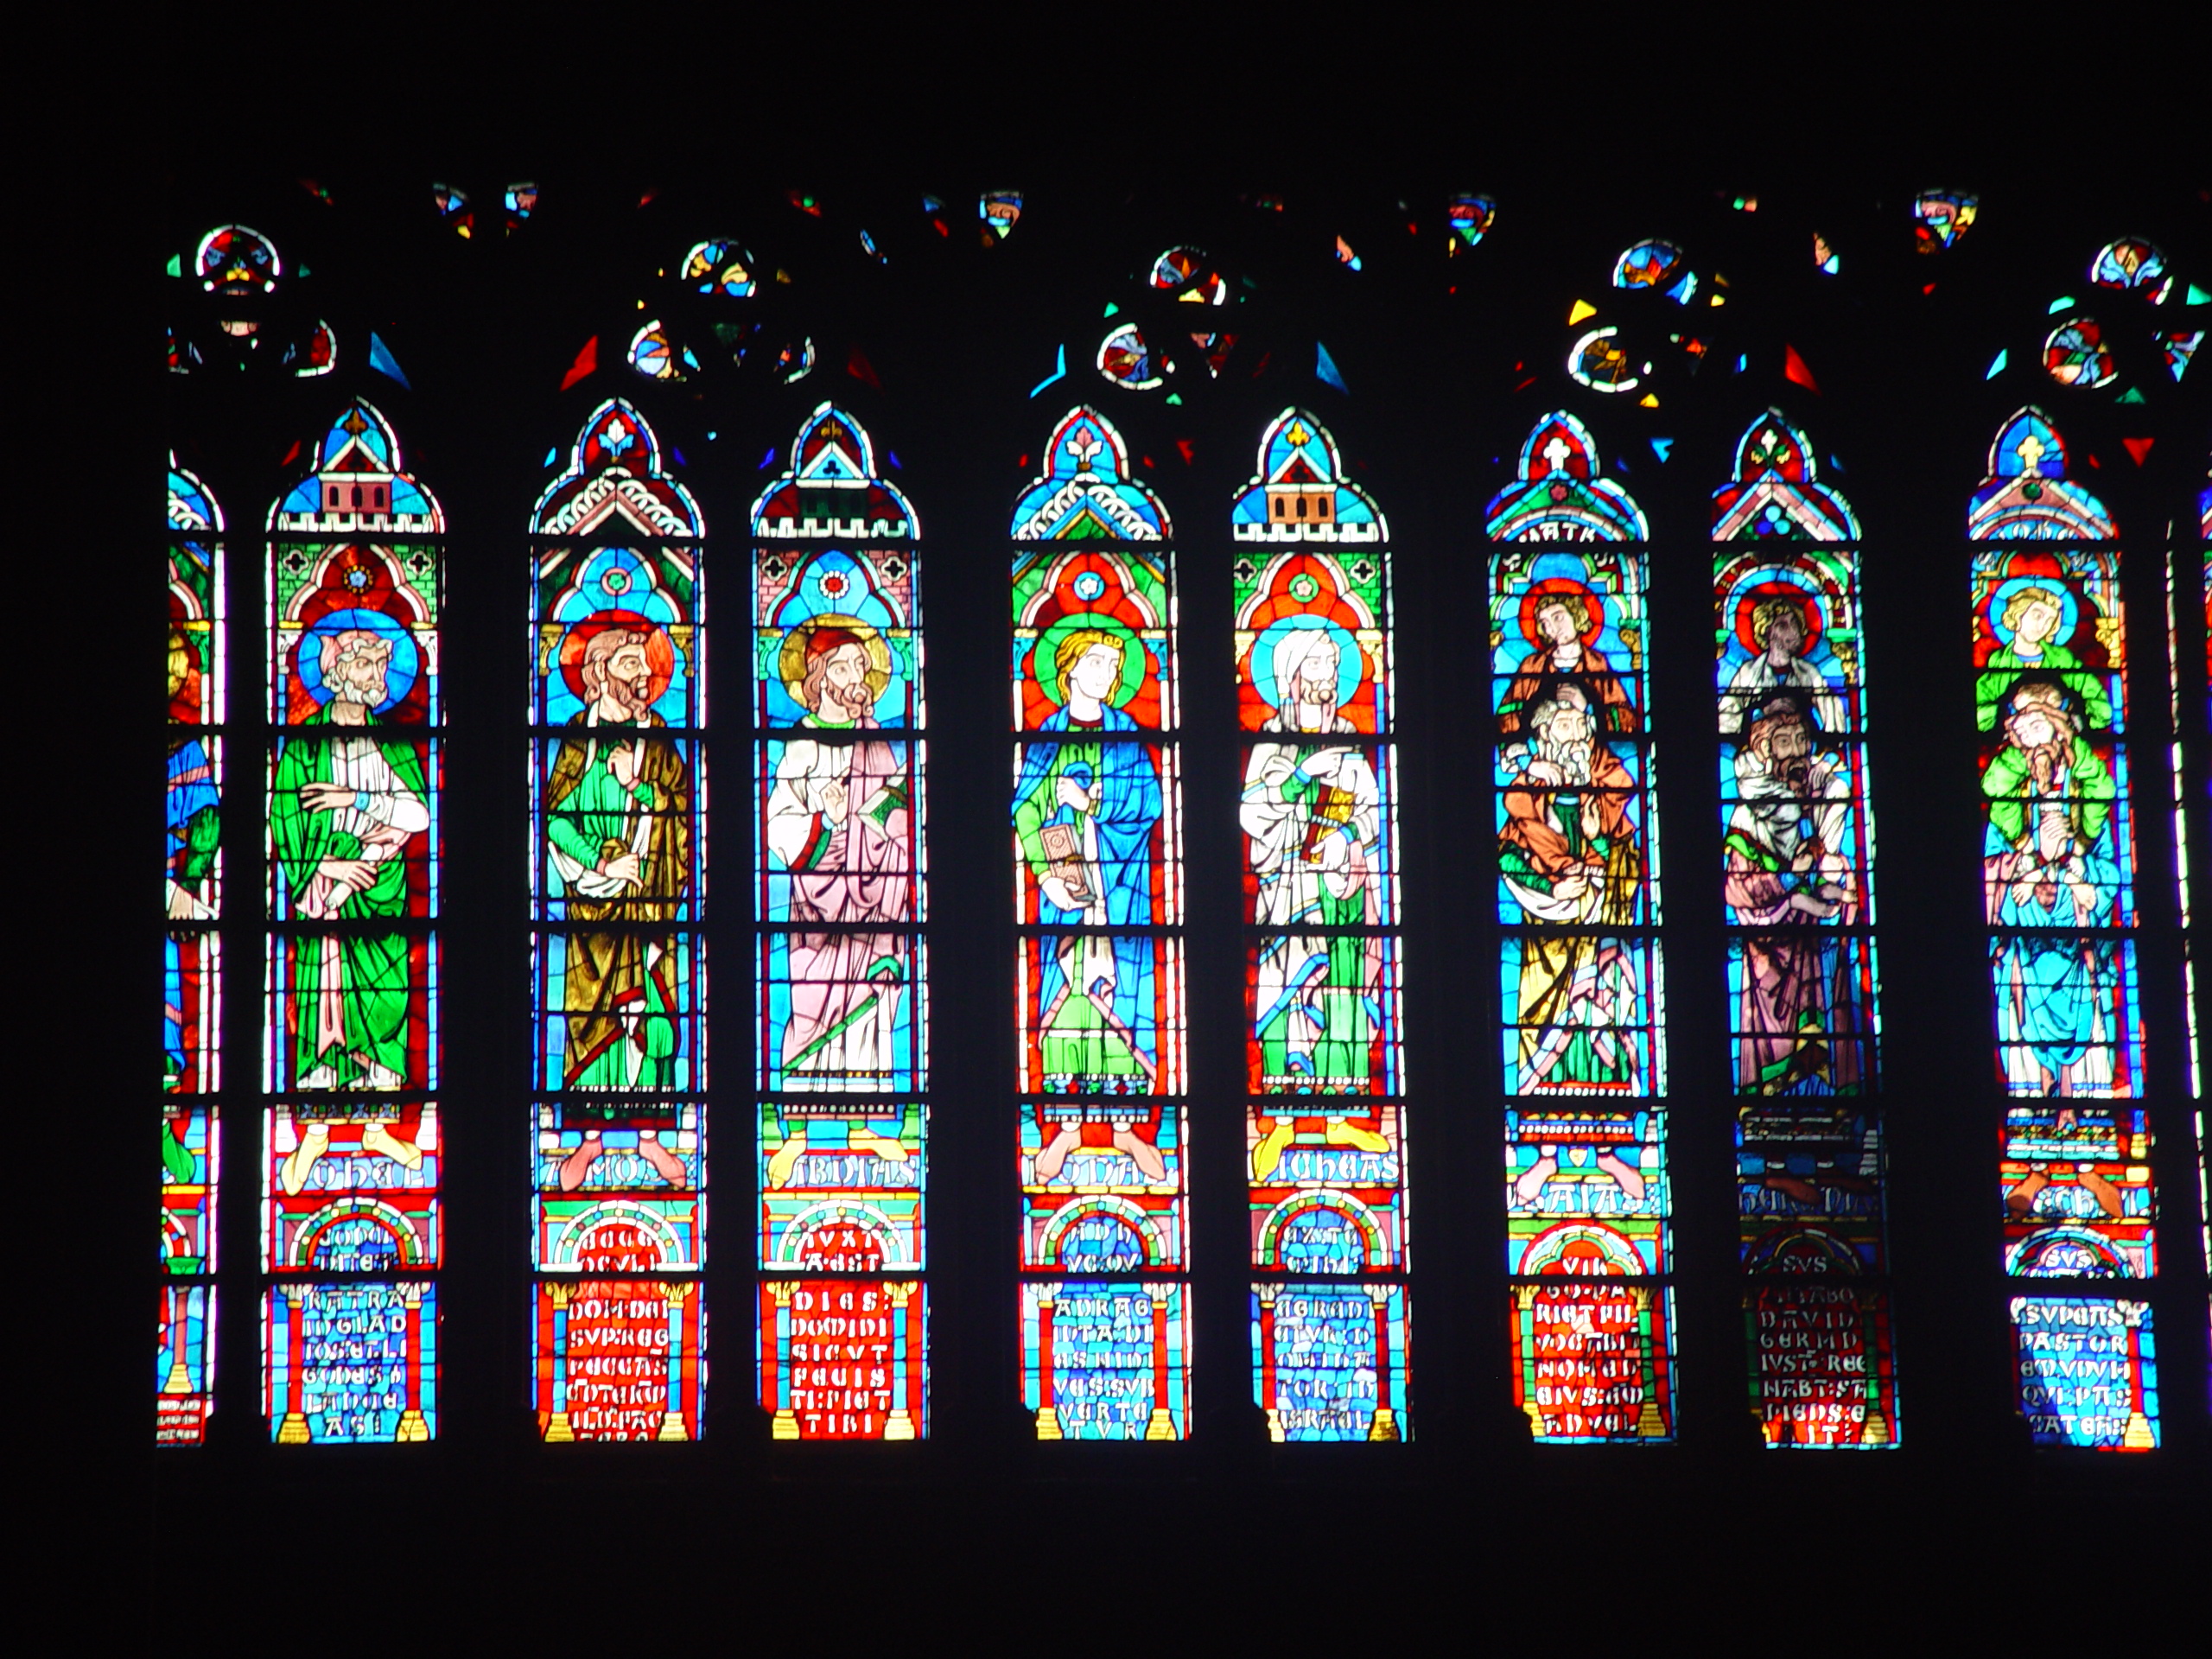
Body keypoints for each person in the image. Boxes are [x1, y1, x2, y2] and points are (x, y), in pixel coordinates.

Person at [761, 627, 915, 1178]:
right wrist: (827, 823)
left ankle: (865, 1125)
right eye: (844, 669)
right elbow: (779, 824)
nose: (856, 681)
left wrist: (870, 820)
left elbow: (900, 813)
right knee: (809, 1008)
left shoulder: (877, 741)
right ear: (817, 679)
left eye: (860, 668)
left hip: (876, 899)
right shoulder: (800, 744)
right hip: (817, 903)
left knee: (871, 1010)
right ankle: (796, 1132)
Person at [543, 626, 693, 1182]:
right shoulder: (579, 737)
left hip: (650, 902)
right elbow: (556, 815)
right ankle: (588, 1140)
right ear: (601, 670)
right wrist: (601, 865)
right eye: (630, 664)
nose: (643, 677)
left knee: (650, 1014)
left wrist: (641, 792)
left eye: (646, 665)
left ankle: (652, 1137)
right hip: (590, 905)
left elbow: (679, 810)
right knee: (589, 1018)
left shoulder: (658, 736)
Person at [1241, 626, 1391, 1171]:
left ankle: (1342, 1114)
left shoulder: (1352, 740)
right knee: (1288, 987)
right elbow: (1250, 812)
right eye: (1319, 666)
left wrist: (1347, 839)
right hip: (1287, 888)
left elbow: (1373, 813)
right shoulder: (1271, 742)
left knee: (1343, 988)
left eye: (1333, 666)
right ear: (1293, 675)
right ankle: (1279, 1120)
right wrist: (1301, 776)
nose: (1328, 678)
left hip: (1342, 889)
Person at [1014, 628, 1165, 1166]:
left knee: (1123, 999)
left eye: (1113, 666)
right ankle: (1067, 1126)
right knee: (1067, 1005)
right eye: (1096, 663)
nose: (1106, 675)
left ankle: (1127, 1129)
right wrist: (1045, 872)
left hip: (1119, 891)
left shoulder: (1128, 735)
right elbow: (1025, 809)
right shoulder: (1047, 737)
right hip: (1065, 895)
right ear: (1070, 671)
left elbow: (1149, 807)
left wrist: (1092, 808)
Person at [270, 626, 429, 1094]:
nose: (377, 675)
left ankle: (380, 1071)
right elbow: (284, 820)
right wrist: (326, 867)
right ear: (337, 674)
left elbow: (418, 814)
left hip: (379, 882)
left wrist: (355, 797)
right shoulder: (302, 744)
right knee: (321, 977)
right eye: (366, 664)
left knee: (385, 992)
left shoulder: (394, 743)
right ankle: (324, 1070)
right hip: (325, 885)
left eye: (381, 665)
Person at [1498, 681, 1643, 1092]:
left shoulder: (1602, 799)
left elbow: (1623, 856)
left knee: (1600, 1010)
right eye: (1566, 726)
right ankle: (1541, 1126)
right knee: (1544, 1017)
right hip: (1546, 931)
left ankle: (1611, 1115)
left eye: (1582, 726)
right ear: (1543, 736)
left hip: (1599, 931)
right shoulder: (1528, 796)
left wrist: (1597, 843)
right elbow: (1506, 857)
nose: (1578, 735)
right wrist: (1549, 887)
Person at [1983, 679, 2120, 1095]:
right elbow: (1990, 870)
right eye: (2029, 729)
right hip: (2026, 951)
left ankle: (2087, 1109)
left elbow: (2108, 868)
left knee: (2087, 1020)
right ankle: (2032, 1105)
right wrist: (2020, 875)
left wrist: (2082, 879)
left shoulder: (2085, 796)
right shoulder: (2008, 800)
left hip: (2076, 944)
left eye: (2048, 726)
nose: (2039, 749)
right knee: (2023, 1020)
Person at [1723, 693, 1860, 1093]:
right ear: (1764, 751)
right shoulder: (1747, 817)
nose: (1798, 752)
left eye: (1803, 741)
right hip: (1768, 951)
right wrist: (1788, 884)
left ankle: (1827, 1111)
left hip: (1810, 950)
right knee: (1775, 1049)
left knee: (1820, 1033)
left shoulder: (1813, 806)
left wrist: (1835, 889)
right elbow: (1736, 889)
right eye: (1786, 743)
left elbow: (1818, 873)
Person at [1497, 590, 1637, 736]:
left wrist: (1587, 708)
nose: (1552, 628)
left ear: (1576, 615)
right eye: (1545, 623)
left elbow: (1626, 720)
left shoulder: (1597, 664)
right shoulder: (1532, 665)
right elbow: (1507, 716)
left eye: (1558, 618)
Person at [1975, 583, 2111, 733]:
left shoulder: (2062, 659)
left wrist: (2074, 719)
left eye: (2050, 620)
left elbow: (2100, 707)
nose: (2043, 625)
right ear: (2017, 614)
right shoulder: (1999, 662)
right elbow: (1981, 714)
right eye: (2037, 616)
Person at [1719, 595, 1846, 735]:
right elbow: (1726, 720)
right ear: (1767, 633)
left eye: (1794, 622)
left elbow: (1833, 719)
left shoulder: (1809, 673)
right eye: (1782, 625)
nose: (1793, 631)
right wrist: (1761, 712)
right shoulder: (1748, 673)